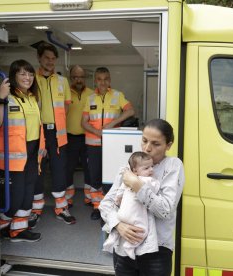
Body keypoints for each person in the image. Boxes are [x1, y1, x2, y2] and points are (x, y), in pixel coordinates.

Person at [99, 119, 185, 275]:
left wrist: (136, 184)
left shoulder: (173, 166)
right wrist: (118, 225)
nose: (147, 148)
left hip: (157, 251)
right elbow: (106, 205)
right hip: (124, 248)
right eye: (144, 141)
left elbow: (165, 210)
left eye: (156, 144)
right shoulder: (128, 167)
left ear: (169, 145)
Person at [0, 59, 46, 242]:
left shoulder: (32, 98)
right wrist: (0, 98)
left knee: (28, 195)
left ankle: (18, 230)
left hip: (33, 154)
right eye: (23, 73)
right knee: (15, 198)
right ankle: (0, 228)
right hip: (14, 158)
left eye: (30, 74)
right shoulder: (7, 97)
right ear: (14, 76)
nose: (28, 77)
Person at [30, 42, 75, 227]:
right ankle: (35, 210)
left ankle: (61, 208)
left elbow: (66, 105)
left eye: (53, 58)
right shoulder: (32, 78)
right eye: (46, 58)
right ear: (39, 58)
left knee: (59, 170)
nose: (50, 61)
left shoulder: (62, 81)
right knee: (37, 170)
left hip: (58, 133)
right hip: (37, 132)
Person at [82, 66, 135, 220]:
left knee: (113, 176)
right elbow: (83, 122)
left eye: (106, 79)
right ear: (95, 81)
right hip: (93, 145)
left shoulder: (118, 96)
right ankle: (98, 207)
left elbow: (130, 111)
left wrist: (112, 124)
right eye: (99, 79)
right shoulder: (90, 99)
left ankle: (112, 206)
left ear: (110, 80)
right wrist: (98, 132)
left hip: (113, 145)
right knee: (95, 176)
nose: (103, 82)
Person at [102, 151, 160, 260]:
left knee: (119, 232)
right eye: (146, 168)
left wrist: (118, 199)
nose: (151, 170)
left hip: (121, 214)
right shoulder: (148, 180)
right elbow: (155, 189)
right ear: (135, 171)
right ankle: (130, 246)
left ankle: (111, 239)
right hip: (135, 215)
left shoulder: (128, 178)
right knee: (142, 231)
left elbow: (120, 191)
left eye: (152, 166)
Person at [65, 65, 93, 207]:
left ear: (85, 78)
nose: (78, 79)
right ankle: (68, 198)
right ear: (71, 78)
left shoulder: (92, 94)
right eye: (75, 77)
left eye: (81, 77)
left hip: (88, 138)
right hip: (70, 138)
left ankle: (89, 197)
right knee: (68, 168)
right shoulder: (65, 93)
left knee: (89, 168)